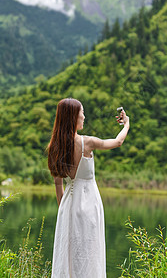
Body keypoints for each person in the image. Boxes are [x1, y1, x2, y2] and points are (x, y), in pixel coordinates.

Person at [47, 98, 129, 278]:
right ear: (73, 117)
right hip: (89, 205)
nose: (84, 116)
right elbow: (117, 142)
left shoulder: (55, 146)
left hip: (67, 206)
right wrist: (126, 124)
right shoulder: (87, 142)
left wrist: (64, 211)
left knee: (67, 254)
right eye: (81, 112)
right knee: (89, 254)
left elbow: (58, 185)